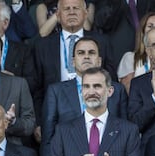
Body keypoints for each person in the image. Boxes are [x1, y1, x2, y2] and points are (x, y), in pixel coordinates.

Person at [33, 0, 115, 143]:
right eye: (66, 9)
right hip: (58, 116)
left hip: (98, 113)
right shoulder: (42, 46)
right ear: (57, 15)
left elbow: (111, 79)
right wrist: (39, 122)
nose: (71, 12)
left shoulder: (102, 41)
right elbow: (38, 89)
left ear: (86, 13)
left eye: (76, 8)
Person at [41, 37, 128, 156]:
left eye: (91, 53)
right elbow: (48, 138)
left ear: (99, 61)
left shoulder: (117, 89)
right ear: (73, 61)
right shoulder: (56, 91)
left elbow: (125, 132)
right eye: (81, 53)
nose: (86, 56)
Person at [0, 1, 36, 93]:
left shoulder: (23, 51)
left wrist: (14, 80)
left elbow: (33, 84)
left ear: (5, 23)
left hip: (13, 102)